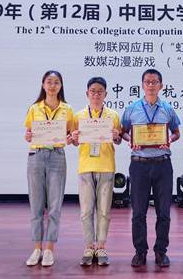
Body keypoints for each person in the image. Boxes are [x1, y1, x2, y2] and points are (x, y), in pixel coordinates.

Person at [121, 69, 180, 267]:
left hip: (163, 164)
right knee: (138, 212)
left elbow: (176, 132)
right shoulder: (132, 109)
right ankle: (140, 252)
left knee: (164, 212)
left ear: (161, 86)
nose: (151, 85)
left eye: (155, 82)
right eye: (147, 82)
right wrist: (131, 140)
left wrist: (169, 139)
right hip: (139, 165)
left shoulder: (168, 109)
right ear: (142, 85)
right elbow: (123, 132)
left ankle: (161, 252)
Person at [23, 70, 75, 267]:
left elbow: (71, 135)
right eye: (49, 82)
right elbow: (28, 132)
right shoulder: (34, 108)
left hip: (57, 157)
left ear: (61, 86)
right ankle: (37, 248)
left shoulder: (67, 109)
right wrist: (28, 136)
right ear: (43, 84)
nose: (52, 86)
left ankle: (49, 249)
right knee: (36, 206)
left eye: (56, 82)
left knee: (54, 205)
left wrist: (70, 138)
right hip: (36, 157)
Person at [70, 77, 122, 266]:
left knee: (104, 210)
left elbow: (118, 140)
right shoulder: (78, 116)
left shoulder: (113, 115)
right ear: (87, 93)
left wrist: (116, 137)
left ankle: (101, 246)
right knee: (86, 210)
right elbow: (74, 142)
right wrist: (74, 138)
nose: (96, 94)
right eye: (93, 91)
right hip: (85, 167)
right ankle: (89, 246)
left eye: (100, 91)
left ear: (106, 94)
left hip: (106, 166)